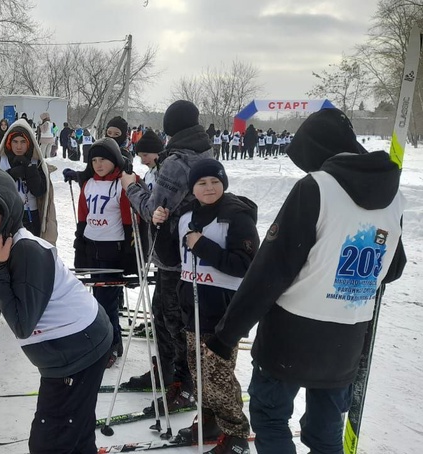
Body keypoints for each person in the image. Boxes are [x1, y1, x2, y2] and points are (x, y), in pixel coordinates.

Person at [205, 108, 406, 454]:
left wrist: (226, 335)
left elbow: (270, 271)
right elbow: (393, 267)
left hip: (292, 335)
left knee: (270, 417)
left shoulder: (315, 188)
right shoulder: (393, 195)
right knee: (326, 432)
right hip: (347, 337)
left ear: (314, 149)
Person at [0, 167, 112, 453]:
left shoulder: (27, 251)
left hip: (79, 349)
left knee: (50, 442)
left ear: (7, 212)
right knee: (73, 431)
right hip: (61, 351)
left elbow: (22, 324)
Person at [119, 100, 214, 413]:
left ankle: (183, 385)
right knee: (164, 314)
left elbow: (153, 211)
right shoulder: (205, 151)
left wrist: (132, 188)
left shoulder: (177, 161)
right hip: (189, 253)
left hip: (174, 254)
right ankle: (168, 372)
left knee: (172, 320)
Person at [162, 159, 259, 453]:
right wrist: (160, 224)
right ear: (193, 187)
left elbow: (246, 265)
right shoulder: (185, 216)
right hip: (191, 306)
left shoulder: (237, 216)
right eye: (202, 183)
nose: (209, 188)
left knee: (217, 375)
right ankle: (209, 419)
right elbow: (171, 256)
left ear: (224, 183)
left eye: (215, 182)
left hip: (222, 310)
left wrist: (203, 245)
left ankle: (236, 432)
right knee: (198, 372)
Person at [65, 138, 137, 367]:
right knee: (95, 299)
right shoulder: (89, 184)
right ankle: (103, 340)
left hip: (112, 249)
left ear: (114, 159)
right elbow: (83, 216)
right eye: (93, 160)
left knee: (107, 301)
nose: (98, 164)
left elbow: (128, 221)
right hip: (93, 247)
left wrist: (129, 254)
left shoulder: (120, 184)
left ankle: (112, 343)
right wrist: (80, 245)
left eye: (103, 159)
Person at [0, 120, 58, 244]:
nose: (18, 146)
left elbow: (39, 191)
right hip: (7, 215)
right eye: (15, 142)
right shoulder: (0, 161)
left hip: (31, 216)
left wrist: (29, 169)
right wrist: (11, 175)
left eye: (23, 142)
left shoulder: (36, 163)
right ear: (9, 142)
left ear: (29, 143)